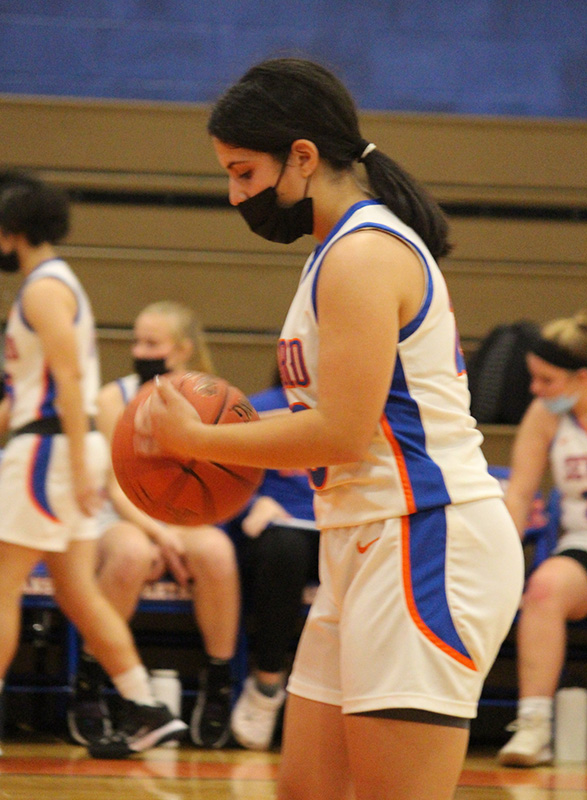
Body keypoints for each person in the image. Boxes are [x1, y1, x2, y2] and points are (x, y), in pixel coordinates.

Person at [133, 58, 525, 799]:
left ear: (303, 157)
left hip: (424, 537)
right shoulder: (334, 252)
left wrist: (199, 443)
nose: (234, 194)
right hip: (358, 536)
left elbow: (342, 433)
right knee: (304, 790)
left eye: (244, 172)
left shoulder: (362, 253)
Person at [0, 169, 186, 761]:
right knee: (75, 589)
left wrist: (75, 457)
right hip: (54, 445)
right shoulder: (49, 284)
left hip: (50, 450)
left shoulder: (44, 289)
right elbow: (13, 400)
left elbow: (69, 379)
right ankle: (145, 707)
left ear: (10, 230)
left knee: (0, 581)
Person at [68, 300, 240, 750]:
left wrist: (178, 528)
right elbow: (116, 485)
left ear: (182, 350)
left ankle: (218, 685)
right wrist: (160, 534)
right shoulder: (114, 397)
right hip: (122, 510)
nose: (139, 349)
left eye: (151, 342)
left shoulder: (213, 397)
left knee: (218, 553)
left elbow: (219, 480)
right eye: (136, 340)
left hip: (184, 514)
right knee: (130, 553)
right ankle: (89, 681)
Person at [497, 311, 587, 767]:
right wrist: (502, 560)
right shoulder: (546, 416)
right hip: (582, 546)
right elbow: (519, 493)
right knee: (544, 589)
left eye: (546, 380)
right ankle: (534, 726)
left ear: (583, 378)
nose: (535, 390)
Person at [227, 375, 319, 751]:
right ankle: (266, 685)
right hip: (278, 536)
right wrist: (251, 504)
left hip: (343, 529)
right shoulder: (258, 408)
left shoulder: (365, 409)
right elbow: (221, 478)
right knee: (284, 549)